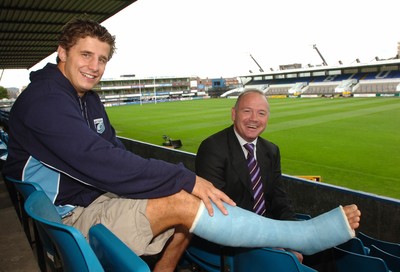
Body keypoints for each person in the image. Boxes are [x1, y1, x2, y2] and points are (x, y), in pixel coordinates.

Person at [3, 18, 361, 272]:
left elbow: (115, 153)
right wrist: (183, 177)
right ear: (62, 52)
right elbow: (98, 159)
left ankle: (169, 265)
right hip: (71, 215)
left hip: (94, 199)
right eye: (86, 55)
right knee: (183, 197)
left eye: (102, 59)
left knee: (182, 194)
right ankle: (301, 235)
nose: (95, 66)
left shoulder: (87, 98)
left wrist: (174, 179)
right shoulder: (46, 100)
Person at [196, 88, 304, 261]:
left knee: (322, 251)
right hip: (228, 239)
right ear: (233, 114)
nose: (254, 119)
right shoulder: (213, 148)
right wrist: (274, 245)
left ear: (267, 118)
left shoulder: (271, 150)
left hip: (266, 228)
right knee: (288, 261)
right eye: (247, 111)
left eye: (261, 113)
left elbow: (279, 199)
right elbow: (220, 211)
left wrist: (296, 235)